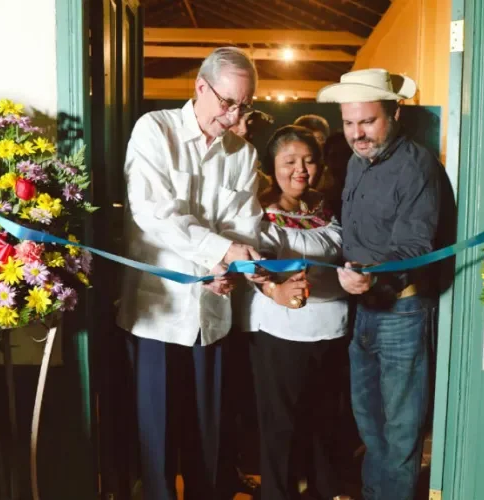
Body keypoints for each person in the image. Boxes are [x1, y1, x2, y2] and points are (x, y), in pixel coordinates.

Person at [116, 46, 269, 500]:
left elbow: (245, 222)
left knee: (210, 439)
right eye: (228, 102)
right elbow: (154, 214)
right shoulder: (154, 131)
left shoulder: (243, 154)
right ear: (201, 87)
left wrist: (232, 269)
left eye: (245, 105)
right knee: (157, 443)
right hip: (156, 315)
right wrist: (220, 251)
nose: (235, 114)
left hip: (212, 316)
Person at [316, 68, 446, 500]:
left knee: (401, 435)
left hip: (403, 314)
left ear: (394, 113)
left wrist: (370, 272)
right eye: (349, 123)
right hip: (365, 311)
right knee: (371, 429)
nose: (357, 133)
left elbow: (414, 245)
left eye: (367, 121)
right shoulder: (356, 162)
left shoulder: (417, 165)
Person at [244, 125, 353, 500]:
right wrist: (273, 287)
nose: (300, 170)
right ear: (271, 167)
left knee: (325, 428)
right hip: (281, 334)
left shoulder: (328, 207)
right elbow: (246, 266)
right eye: (289, 162)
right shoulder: (258, 214)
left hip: (333, 330)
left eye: (308, 161)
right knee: (281, 431)